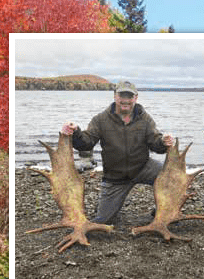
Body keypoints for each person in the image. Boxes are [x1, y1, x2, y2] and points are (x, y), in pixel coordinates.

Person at [62, 82, 174, 224]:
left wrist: (163, 142)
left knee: (171, 177)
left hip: (143, 167)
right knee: (101, 222)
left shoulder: (145, 119)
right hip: (115, 176)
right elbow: (86, 143)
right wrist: (76, 132)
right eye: (122, 95)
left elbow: (155, 143)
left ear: (136, 98)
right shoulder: (101, 119)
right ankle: (108, 207)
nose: (125, 100)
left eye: (130, 96)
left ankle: (163, 211)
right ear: (115, 96)